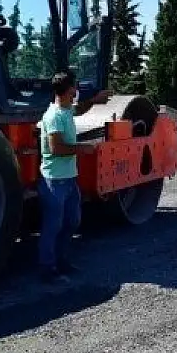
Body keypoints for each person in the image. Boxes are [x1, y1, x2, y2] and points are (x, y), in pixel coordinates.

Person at [37, 72, 111, 282]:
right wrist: (82, 149)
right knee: (53, 226)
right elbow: (56, 148)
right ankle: (47, 268)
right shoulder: (53, 116)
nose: (76, 90)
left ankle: (61, 260)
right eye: (75, 87)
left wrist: (95, 101)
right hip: (54, 181)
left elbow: (79, 109)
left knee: (72, 221)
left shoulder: (67, 110)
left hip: (69, 179)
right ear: (69, 89)